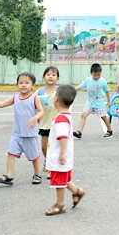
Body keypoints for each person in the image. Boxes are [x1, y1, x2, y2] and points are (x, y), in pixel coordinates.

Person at [0, 72, 44, 185]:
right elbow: (2, 104)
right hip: (17, 133)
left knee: (34, 156)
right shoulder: (15, 98)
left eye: (27, 83)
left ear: (33, 86)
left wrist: (35, 118)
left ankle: (37, 174)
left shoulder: (34, 98)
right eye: (20, 83)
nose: (23, 85)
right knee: (11, 153)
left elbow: (41, 111)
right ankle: (9, 175)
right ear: (17, 85)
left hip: (30, 134)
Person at [45, 84, 86, 216]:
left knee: (59, 182)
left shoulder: (61, 118)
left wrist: (61, 154)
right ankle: (77, 191)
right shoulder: (64, 115)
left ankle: (60, 205)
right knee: (63, 178)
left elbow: (62, 137)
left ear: (56, 99)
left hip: (60, 155)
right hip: (62, 155)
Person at [73, 63, 113, 138]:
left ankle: (109, 130)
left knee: (104, 117)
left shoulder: (102, 81)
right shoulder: (88, 80)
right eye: (95, 75)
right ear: (91, 73)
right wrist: (71, 90)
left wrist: (108, 101)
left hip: (99, 104)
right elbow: (79, 87)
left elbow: (107, 91)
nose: (97, 76)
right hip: (90, 103)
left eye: (99, 75)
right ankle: (79, 132)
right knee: (83, 115)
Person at [36, 66, 59, 174]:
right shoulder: (39, 92)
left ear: (57, 78)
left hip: (56, 124)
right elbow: (32, 104)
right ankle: (47, 160)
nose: (51, 77)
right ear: (44, 77)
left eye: (53, 75)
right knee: (44, 147)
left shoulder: (59, 91)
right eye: (48, 74)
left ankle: (52, 167)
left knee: (54, 147)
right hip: (44, 124)